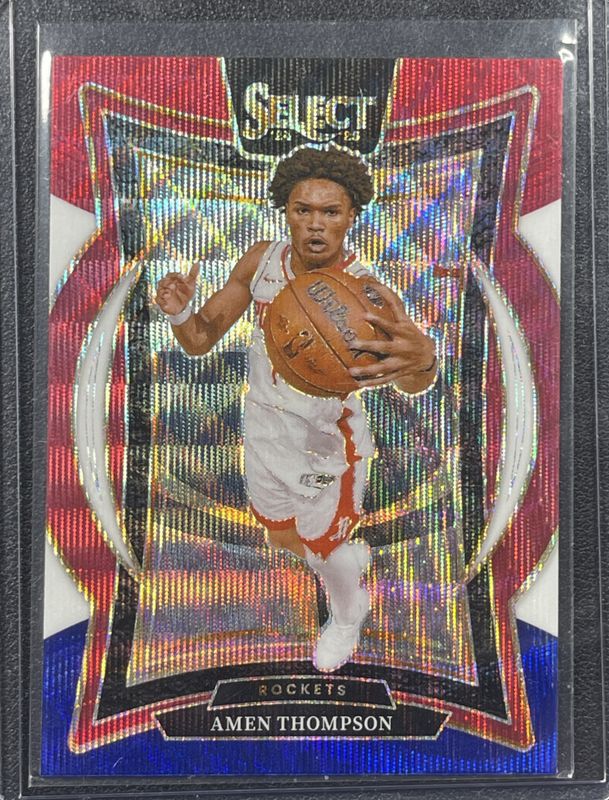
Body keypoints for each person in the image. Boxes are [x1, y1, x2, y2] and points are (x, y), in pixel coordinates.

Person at [155, 146, 437, 671]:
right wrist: (180, 312)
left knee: (323, 549)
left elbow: (414, 380)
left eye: (331, 212)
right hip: (263, 429)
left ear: (351, 216)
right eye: (302, 210)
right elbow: (200, 339)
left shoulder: (367, 293)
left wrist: (423, 359)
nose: (315, 224)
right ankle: (341, 556)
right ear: (285, 211)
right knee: (282, 535)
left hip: (326, 446)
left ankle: (348, 612)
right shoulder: (261, 261)